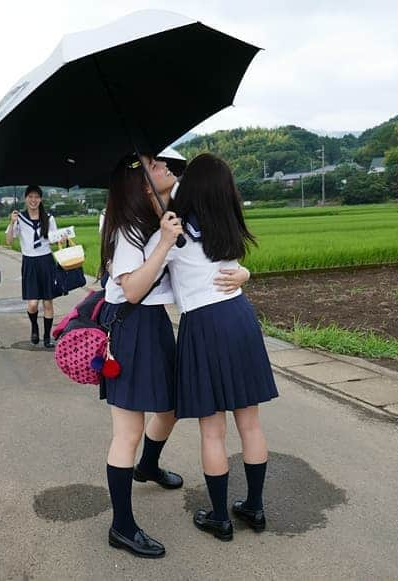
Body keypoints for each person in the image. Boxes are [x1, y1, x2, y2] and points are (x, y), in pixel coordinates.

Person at [98, 154, 250, 558]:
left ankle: (148, 466)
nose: (166, 166)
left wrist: (244, 273)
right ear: (143, 183)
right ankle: (122, 527)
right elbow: (131, 290)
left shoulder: (159, 214)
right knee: (127, 431)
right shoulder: (128, 230)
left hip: (156, 324)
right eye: (155, 164)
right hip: (131, 325)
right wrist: (164, 244)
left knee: (168, 408)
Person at [167, 153, 278, 542]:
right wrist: (245, 273)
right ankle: (256, 508)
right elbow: (235, 268)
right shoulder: (226, 223)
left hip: (202, 326)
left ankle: (219, 517)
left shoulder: (176, 233)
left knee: (212, 431)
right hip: (240, 318)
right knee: (250, 423)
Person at [5, 185, 58, 348]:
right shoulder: (19, 218)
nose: (33, 200)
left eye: (37, 197)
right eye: (30, 197)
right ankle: (34, 326)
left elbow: (54, 239)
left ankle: (47, 336)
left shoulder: (48, 218)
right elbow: (9, 240)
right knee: (33, 304)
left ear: (41, 199)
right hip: (30, 262)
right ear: (25, 199)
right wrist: (12, 222)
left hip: (46, 261)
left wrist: (62, 238)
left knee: (48, 302)